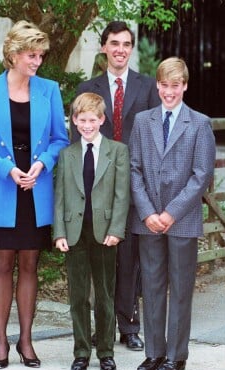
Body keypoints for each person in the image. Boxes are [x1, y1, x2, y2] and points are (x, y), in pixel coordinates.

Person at [0, 20, 69, 369]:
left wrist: (41, 164)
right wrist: (7, 169)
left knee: (30, 264)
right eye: (31, 54)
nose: (37, 61)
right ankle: (0, 341)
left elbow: (60, 138)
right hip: (3, 186)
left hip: (36, 187)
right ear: (12, 55)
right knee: (2, 263)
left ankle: (26, 340)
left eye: (40, 55)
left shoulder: (50, 89)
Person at [73, 21, 161, 351]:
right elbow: (76, 142)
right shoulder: (87, 87)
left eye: (126, 44)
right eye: (114, 43)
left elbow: (155, 139)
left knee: (129, 259)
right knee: (100, 258)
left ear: (131, 48)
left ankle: (128, 326)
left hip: (136, 187)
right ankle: (103, 327)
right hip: (97, 186)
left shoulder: (148, 86)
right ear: (103, 47)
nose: (120, 49)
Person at [129, 57, 216, 370]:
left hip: (182, 219)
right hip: (148, 219)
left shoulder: (200, 123)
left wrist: (170, 213)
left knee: (180, 287)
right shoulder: (142, 121)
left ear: (185, 86)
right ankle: (154, 352)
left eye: (175, 86)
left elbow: (201, 174)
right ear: (157, 85)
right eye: (164, 85)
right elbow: (134, 169)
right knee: (151, 286)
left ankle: (176, 355)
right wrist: (149, 212)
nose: (169, 92)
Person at [53, 93, 130, 370]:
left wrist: (116, 230)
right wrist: (59, 232)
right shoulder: (67, 154)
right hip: (75, 233)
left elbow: (122, 196)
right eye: (81, 120)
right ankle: (81, 351)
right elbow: (59, 196)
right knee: (78, 295)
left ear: (102, 120)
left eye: (92, 120)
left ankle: (106, 351)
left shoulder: (117, 151)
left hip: (105, 233)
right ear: (74, 121)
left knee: (105, 295)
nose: (87, 125)